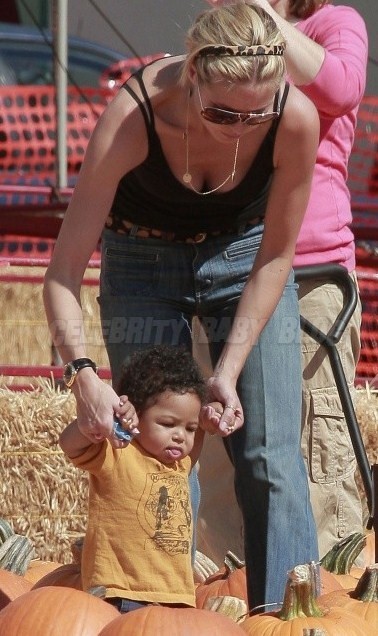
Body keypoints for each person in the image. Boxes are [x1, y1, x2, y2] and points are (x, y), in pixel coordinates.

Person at [43, 3, 320, 609]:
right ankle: (151, 613)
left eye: (257, 114)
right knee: (151, 447)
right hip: (142, 258)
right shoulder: (132, 116)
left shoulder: (296, 120)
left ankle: (290, 619)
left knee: (270, 453)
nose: (241, 129)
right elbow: (62, 274)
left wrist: (225, 373)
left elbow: (276, 258)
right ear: (192, 74)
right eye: (223, 112)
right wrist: (82, 375)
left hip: (247, 257)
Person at [203, 0, 369, 561]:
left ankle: (333, 580)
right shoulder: (217, 38)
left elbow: (341, 87)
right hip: (228, 266)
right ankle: (228, 588)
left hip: (311, 268)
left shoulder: (334, 24)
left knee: (315, 435)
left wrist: (260, 20)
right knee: (223, 439)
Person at [59, 345, 206, 612]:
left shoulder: (180, 465)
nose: (180, 436)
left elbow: (203, 426)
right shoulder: (116, 453)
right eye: (168, 423)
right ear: (136, 414)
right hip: (122, 594)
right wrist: (106, 420)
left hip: (178, 599)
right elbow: (69, 444)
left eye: (190, 428)